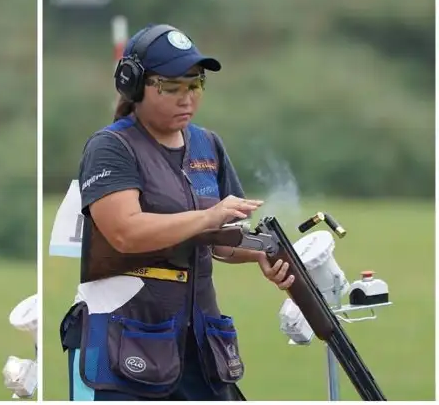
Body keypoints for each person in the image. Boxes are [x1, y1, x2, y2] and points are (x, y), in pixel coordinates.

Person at [59, 23, 295, 401]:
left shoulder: (207, 144)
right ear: (135, 85)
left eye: (195, 84)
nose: (187, 98)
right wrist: (208, 216)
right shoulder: (111, 147)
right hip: (123, 340)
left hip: (199, 343)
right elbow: (126, 232)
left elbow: (221, 241)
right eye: (171, 87)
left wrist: (261, 254)